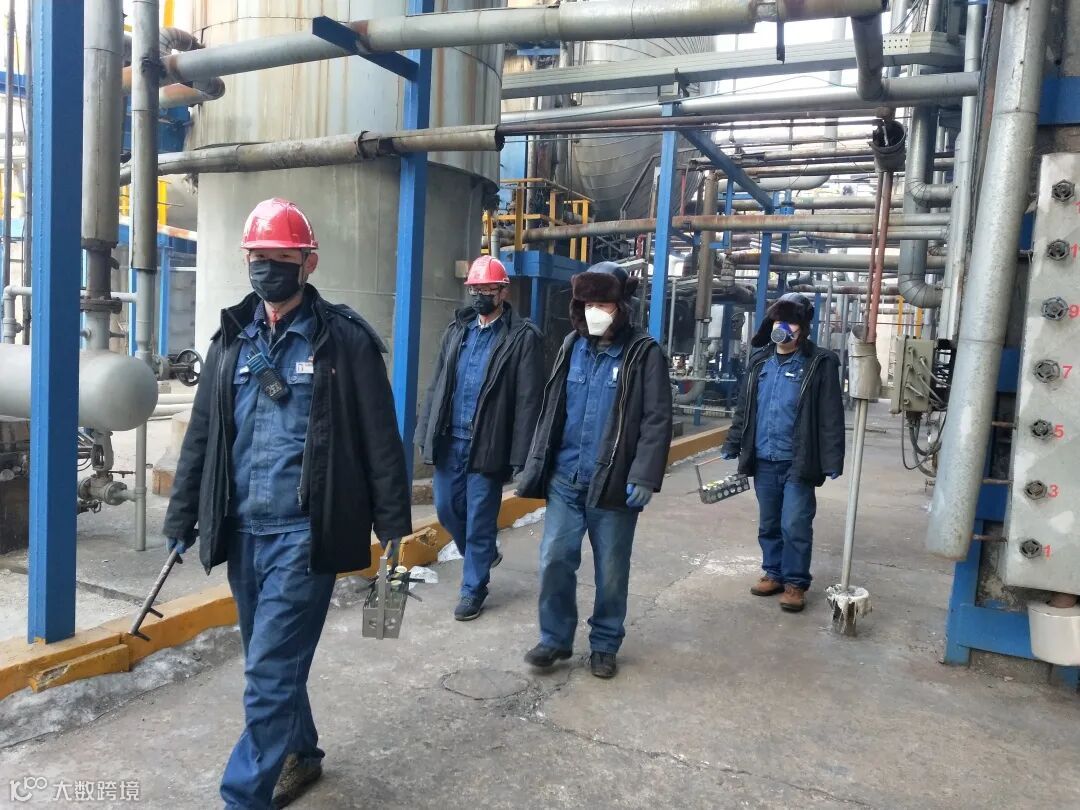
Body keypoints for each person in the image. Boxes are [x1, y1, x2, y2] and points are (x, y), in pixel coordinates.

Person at [162, 198, 412, 809]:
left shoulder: (343, 342)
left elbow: (380, 436)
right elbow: (204, 437)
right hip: (245, 530)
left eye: (280, 256)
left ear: (308, 263)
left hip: (305, 532)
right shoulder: (231, 340)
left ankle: (242, 797)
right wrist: (183, 515)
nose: (266, 266)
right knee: (272, 657)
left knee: (268, 671)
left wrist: (393, 523)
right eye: (257, 255)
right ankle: (301, 752)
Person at [516, 262, 673, 679]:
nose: (595, 313)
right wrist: (536, 461)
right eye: (587, 305)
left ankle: (604, 643)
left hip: (613, 484)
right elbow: (553, 407)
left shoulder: (643, 353)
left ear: (622, 306)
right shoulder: (572, 346)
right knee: (555, 558)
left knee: (612, 570)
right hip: (566, 478)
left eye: (603, 305)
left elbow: (657, 419)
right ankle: (555, 638)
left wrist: (644, 475)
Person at [417, 255, 543, 621]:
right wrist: (426, 432)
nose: (481, 296)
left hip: (488, 442)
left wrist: (522, 456)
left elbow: (528, 399)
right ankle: (484, 552)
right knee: (446, 508)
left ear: (503, 292)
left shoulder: (522, 337)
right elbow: (438, 384)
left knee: (480, 519)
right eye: (475, 289)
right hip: (450, 440)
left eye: (488, 289)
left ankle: (473, 589)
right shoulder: (458, 331)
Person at [720, 292, 845, 613]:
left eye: (790, 322)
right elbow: (745, 408)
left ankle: (795, 583)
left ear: (803, 328)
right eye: (778, 321)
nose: (783, 328)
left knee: (795, 524)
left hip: (798, 460)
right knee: (769, 523)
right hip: (764, 458)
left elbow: (831, 414)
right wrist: (733, 442)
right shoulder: (760, 361)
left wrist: (832, 458)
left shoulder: (819, 363)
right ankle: (773, 573)